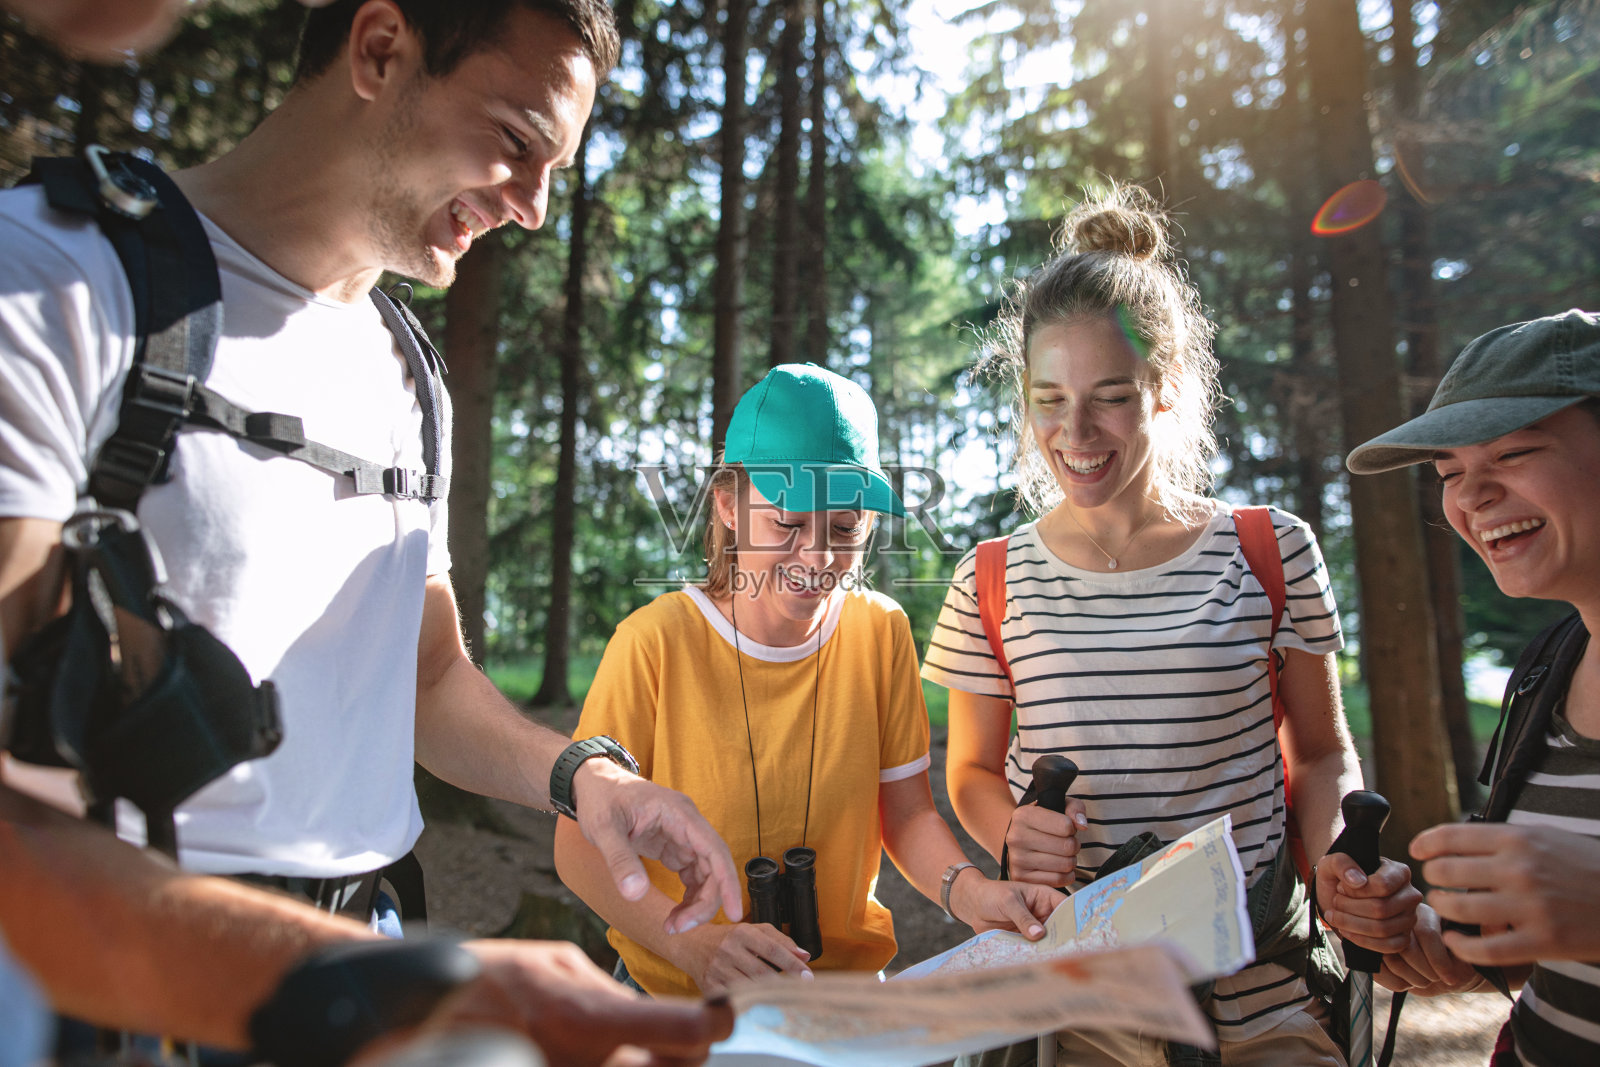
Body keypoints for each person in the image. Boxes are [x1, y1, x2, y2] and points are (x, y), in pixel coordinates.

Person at [0, 0, 739, 1058]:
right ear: (381, 49)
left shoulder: (409, 374)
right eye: (515, 140)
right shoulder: (52, 277)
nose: (532, 208)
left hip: (369, 948)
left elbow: (430, 681)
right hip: (128, 988)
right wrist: (372, 985)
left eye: (554, 171)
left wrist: (590, 780)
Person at [918, 186, 1418, 1065]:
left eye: (1110, 395)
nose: (1075, 431)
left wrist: (1340, 857)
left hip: (1264, 1000)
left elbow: (1322, 753)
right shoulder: (990, 577)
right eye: (1049, 398)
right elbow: (969, 771)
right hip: (1071, 1013)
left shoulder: (1271, 551)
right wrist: (1007, 828)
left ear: (1166, 386)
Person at [553, 363, 1064, 998]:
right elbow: (578, 848)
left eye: (844, 529)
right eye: (788, 525)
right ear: (728, 506)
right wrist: (688, 944)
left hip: (842, 999)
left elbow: (904, 814)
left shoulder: (881, 632)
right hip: (678, 1001)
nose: (818, 559)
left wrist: (972, 892)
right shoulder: (653, 644)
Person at [1344, 308, 1600, 1066]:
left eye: (1514, 453)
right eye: (1450, 472)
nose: (1472, 496)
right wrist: (1445, 948)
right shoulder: (1548, 671)